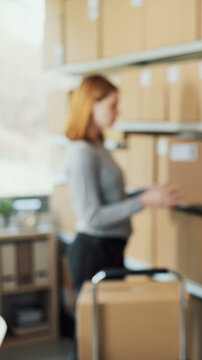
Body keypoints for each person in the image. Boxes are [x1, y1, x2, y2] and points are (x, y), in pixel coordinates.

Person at [63, 74, 183, 290]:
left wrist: (147, 194)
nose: (117, 112)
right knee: (97, 324)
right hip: (94, 253)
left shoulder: (98, 147)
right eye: (113, 105)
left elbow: (113, 199)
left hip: (112, 250)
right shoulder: (82, 152)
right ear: (92, 104)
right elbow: (92, 216)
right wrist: (144, 201)